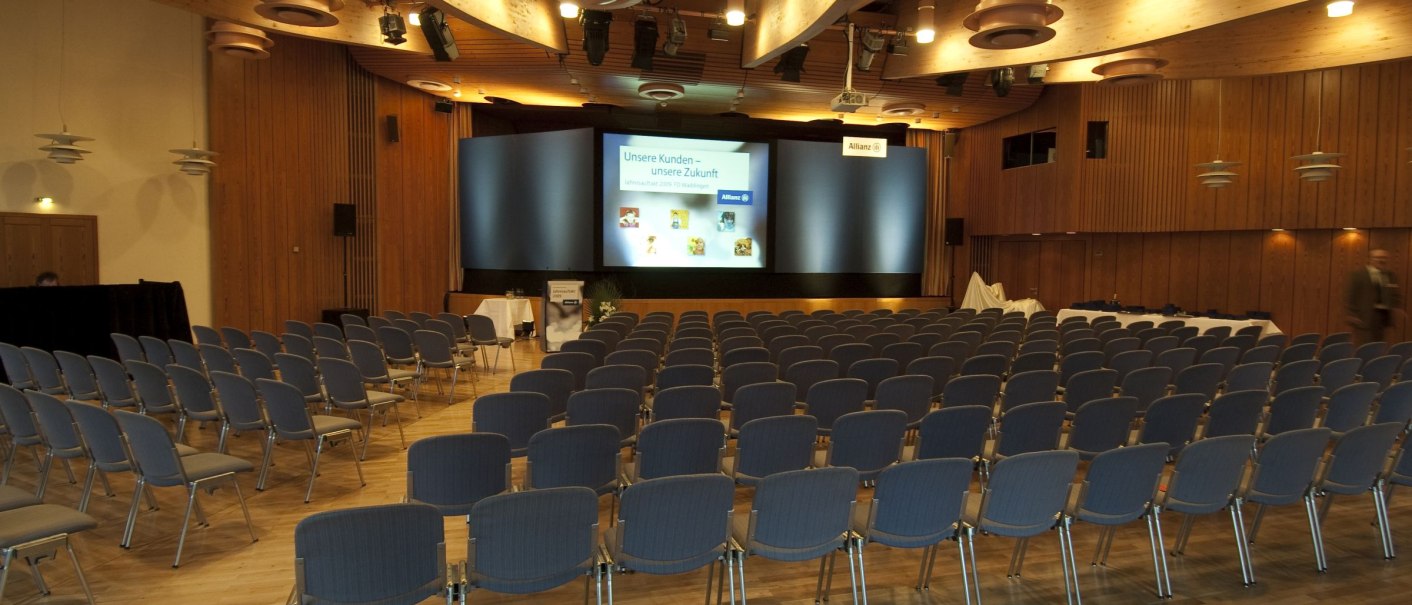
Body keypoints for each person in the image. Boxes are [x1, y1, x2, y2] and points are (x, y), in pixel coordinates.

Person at [1345, 249, 1401, 345]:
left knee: (1379, 345)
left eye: (1384, 258)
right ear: (1370, 259)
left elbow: (1395, 293)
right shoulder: (1358, 275)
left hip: (1383, 317)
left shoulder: (1390, 275)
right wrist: (1351, 314)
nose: (1382, 260)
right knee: (1364, 345)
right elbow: (1350, 295)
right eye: (1378, 258)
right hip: (1364, 316)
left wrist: (1396, 307)